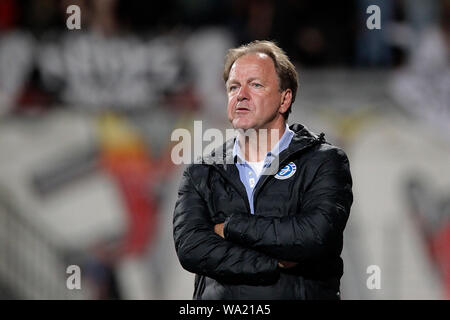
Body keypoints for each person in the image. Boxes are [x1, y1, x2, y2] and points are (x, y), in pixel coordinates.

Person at [173, 40, 353, 299]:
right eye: (233, 87)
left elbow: (312, 235)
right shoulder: (202, 172)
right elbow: (192, 248)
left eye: (255, 85)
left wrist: (229, 227)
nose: (241, 95)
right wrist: (272, 262)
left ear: (284, 99)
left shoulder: (324, 162)